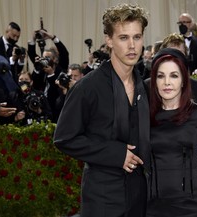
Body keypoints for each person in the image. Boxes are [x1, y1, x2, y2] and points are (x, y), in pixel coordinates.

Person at [53, 3, 150, 217]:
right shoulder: (88, 87)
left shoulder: (142, 84)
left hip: (139, 198)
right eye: (124, 38)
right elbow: (64, 138)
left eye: (137, 37)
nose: (132, 45)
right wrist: (116, 154)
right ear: (109, 40)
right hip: (102, 198)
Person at [146, 48, 197, 217]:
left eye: (174, 75)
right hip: (152, 208)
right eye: (160, 76)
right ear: (154, 81)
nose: (167, 82)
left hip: (192, 208)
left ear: (183, 80)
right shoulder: (144, 117)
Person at [159, 32, 197, 106]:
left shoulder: (196, 86)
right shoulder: (149, 86)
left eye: (180, 53)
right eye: (171, 53)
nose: (175, 58)